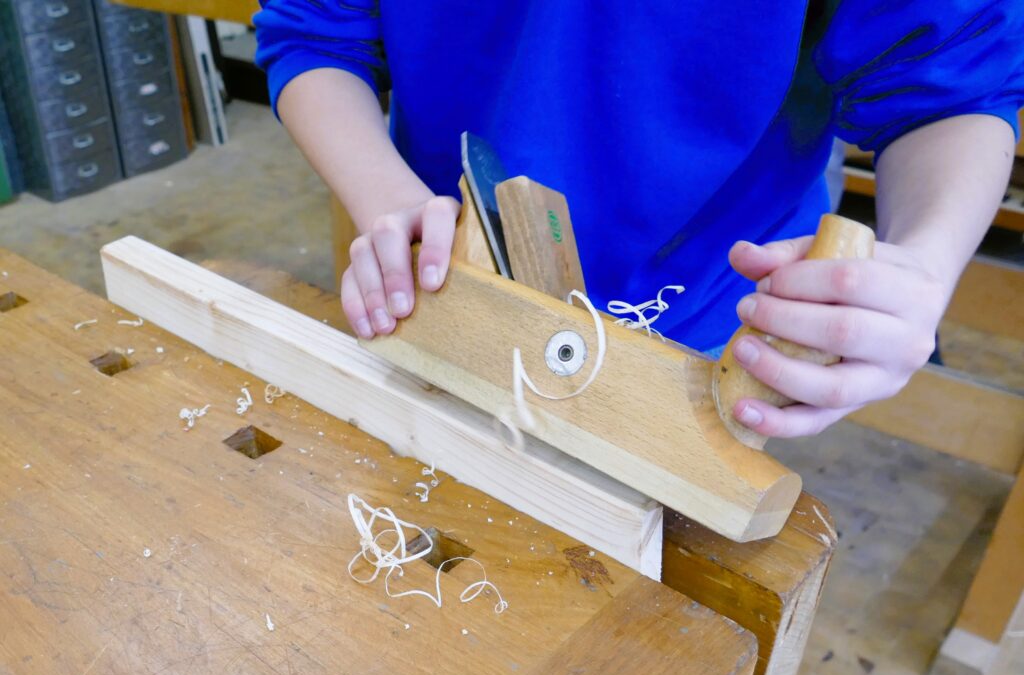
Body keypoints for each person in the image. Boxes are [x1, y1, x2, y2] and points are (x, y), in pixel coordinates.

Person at [254, 1, 1023, 440]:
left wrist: (923, 260)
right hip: (445, 286)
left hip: (712, 326)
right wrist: (391, 201)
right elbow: (314, 30)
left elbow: (952, 89)